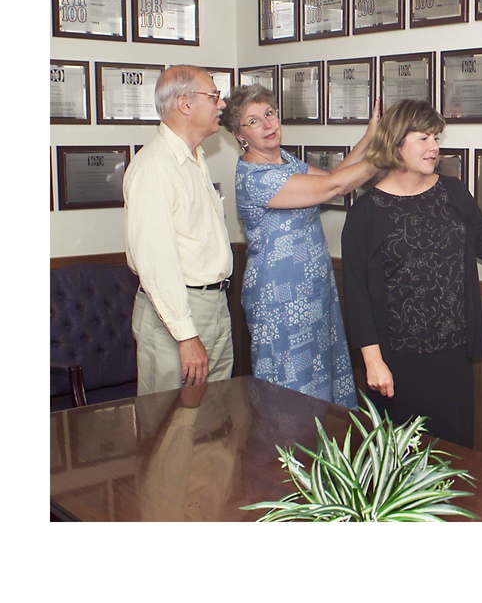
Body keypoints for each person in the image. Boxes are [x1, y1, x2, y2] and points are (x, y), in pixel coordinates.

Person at [341, 100, 482, 448]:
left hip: (452, 356)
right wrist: (373, 362)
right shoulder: (365, 213)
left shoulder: (452, 192)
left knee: (454, 456)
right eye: (423, 138)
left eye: (436, 137)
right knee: (398, 461)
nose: (434, 146)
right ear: (395, 142)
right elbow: (356, 295)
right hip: (396, 361)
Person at [220, 84, 380, 406]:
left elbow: (333, 178)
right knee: (290, 395)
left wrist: (371, 136)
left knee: (323, 391)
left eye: (269, 113)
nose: (267, 124)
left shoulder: (286, 162)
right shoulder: (254, 176)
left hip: (314, 293)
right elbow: (335, 186)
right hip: (279, 300)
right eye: (253, 121)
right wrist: (388, 153)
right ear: (239, 135)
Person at [124, 65, 235, 395]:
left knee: (214, 423)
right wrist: (186, 335)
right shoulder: (156, 166)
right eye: (214, 96)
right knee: (171, 428)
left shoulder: (194, 158)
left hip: (213, 304)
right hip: (175, 314)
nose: (222, 105)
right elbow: (156, 261)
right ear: (185, 104)